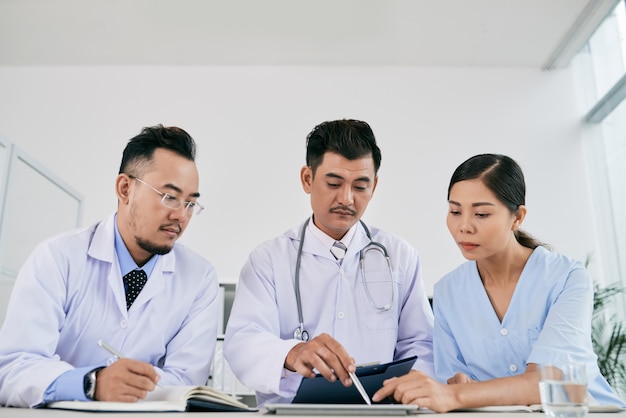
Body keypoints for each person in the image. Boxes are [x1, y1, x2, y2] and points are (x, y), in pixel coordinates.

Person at [372, 153, 626, 411]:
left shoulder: (567, 277)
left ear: (517, 217)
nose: (464, 226)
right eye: (455, 211)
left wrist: (458, 395)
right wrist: (457, 384)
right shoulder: (448, 291)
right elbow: (452, 382)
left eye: (481, 214)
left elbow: (551, 383)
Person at [0, 125, 220, 408]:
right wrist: (91, 383)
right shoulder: (57, 257)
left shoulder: (199, 278)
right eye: (169, 197)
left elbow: (186, 383)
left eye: (190, 203)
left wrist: (128, 387)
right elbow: (12, 368)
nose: (180, 215)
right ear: (125, 188)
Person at [223, 119, 434, 406]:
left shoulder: (400, 256)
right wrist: (292, 353)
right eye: (334, 183)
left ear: (375, 186)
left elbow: (420, 345)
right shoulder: (269, 259)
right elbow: (243, 343)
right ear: (307, 179)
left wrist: (409, 389)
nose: (346, 199)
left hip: (379, 413)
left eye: (361, 186)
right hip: (292, 414)